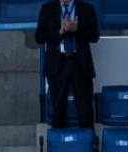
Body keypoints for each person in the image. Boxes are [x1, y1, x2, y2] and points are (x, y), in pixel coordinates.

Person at [37, 0, 100, 129]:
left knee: (85, 110)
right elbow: (39, 36)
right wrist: (59, 32)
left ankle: (87, 146)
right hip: (57, 64)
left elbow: (94, 36)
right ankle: (60, 147)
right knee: (58, 110)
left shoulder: (86, 8)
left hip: (80, 63)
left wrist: (77, 29)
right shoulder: (47, 8)